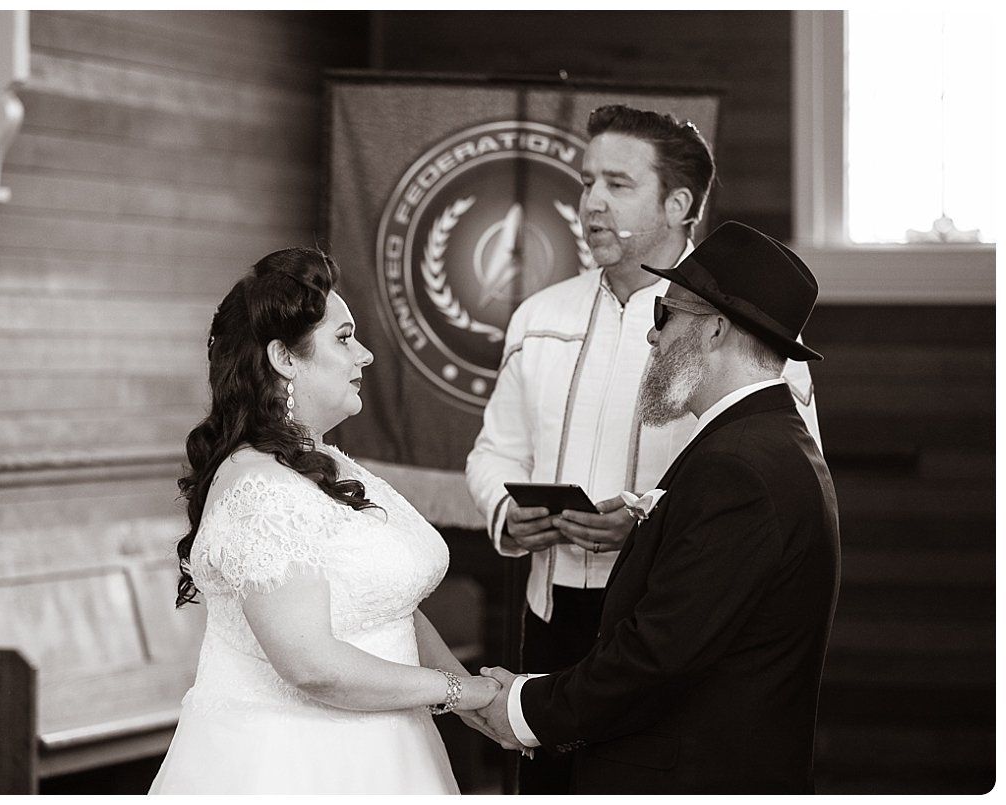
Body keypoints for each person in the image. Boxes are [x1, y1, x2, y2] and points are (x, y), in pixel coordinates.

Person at [464, 105, 820, 793]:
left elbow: (776, 485)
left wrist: (644, 518)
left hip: (673, 616)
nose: (591, 202)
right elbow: (492, 452)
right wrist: (509, 515)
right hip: (552, 605)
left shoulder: (747, 333)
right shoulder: (539, 318)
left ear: (679, 203)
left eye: (618, 184)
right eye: (586, 181)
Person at [148, 247, 500, 794]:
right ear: (285, 359)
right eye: (343, 338)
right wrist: (458, 692)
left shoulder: (328, 462)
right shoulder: (260, 490)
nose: (365, 356)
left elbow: (391, 602)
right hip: (294, 764)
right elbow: (312, 665)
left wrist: (465, 689)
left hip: (391, 752)